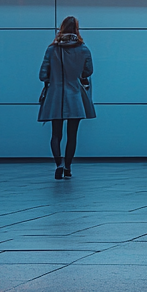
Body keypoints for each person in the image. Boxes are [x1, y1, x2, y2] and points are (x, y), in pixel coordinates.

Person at [39, 16, 94, 180]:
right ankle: (68, 167)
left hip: (55, 96)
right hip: (75, 96)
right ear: (77, 29)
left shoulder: (51, 49)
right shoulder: (83, 49)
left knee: (56, 134)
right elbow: (88, 71)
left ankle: (58, 164)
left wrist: (52, 78)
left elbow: (42, 74)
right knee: (72, 135)